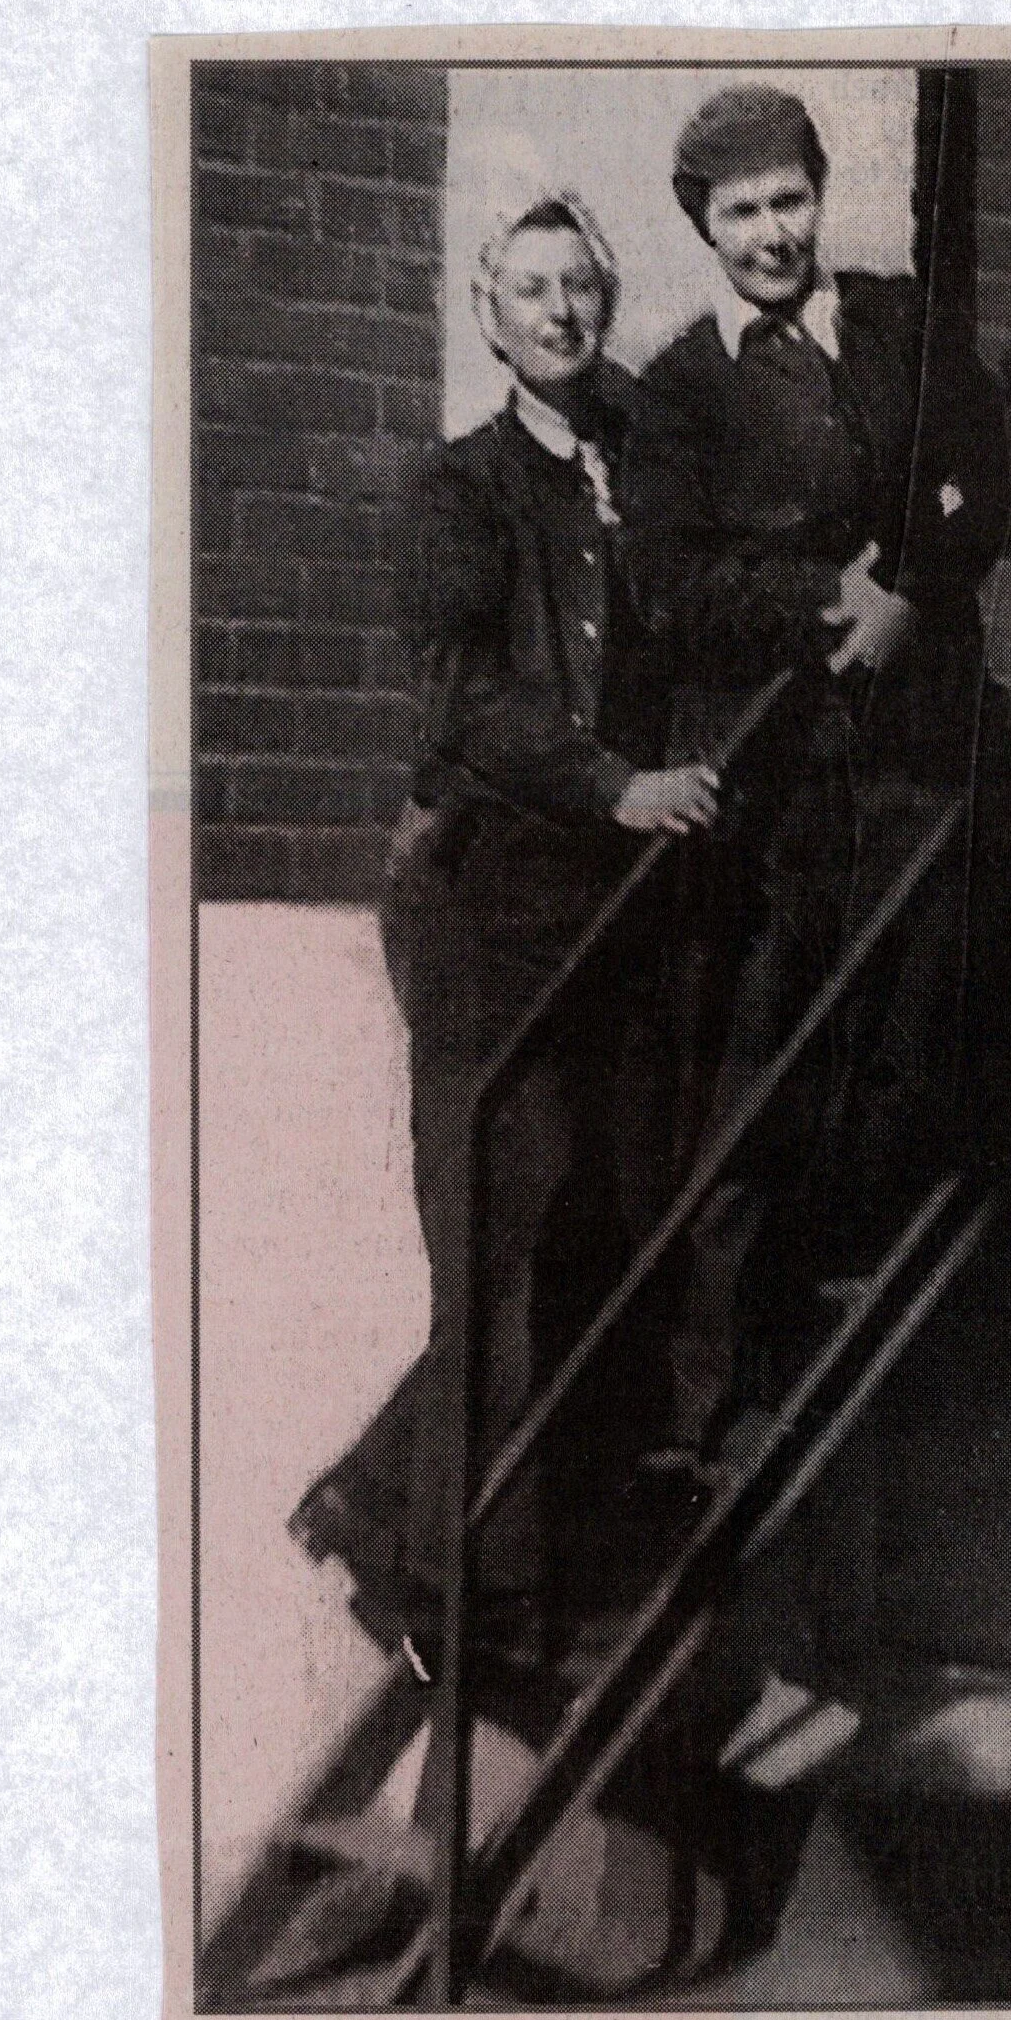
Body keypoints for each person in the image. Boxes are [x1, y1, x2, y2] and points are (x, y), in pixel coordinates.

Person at [291, 191, 717, 1666]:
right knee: (501, 1233)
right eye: (529, 291)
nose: (559, 312)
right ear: (489, 319)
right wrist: (616, 786)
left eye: (579, 287)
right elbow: (465, 707)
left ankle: (400, 1519)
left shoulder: (636, 474)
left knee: (610, 1229)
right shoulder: (461, 490)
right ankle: (454, 1594)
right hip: (492, 907)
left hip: (620, 910)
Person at [620, 86, 1011, 1499]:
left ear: (818, 194)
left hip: (916, 760)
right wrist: (823, 604)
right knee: (759, 1068)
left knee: (910, 1057)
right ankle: (712, 1408)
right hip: (777, 785)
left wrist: (914, 590)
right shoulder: (680, 390)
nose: (772, 233)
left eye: (788, 199)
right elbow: (666, 585)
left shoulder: (900, 324)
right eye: (741, 212)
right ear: (705, 228)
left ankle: (884, 1408)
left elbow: (993, 477)